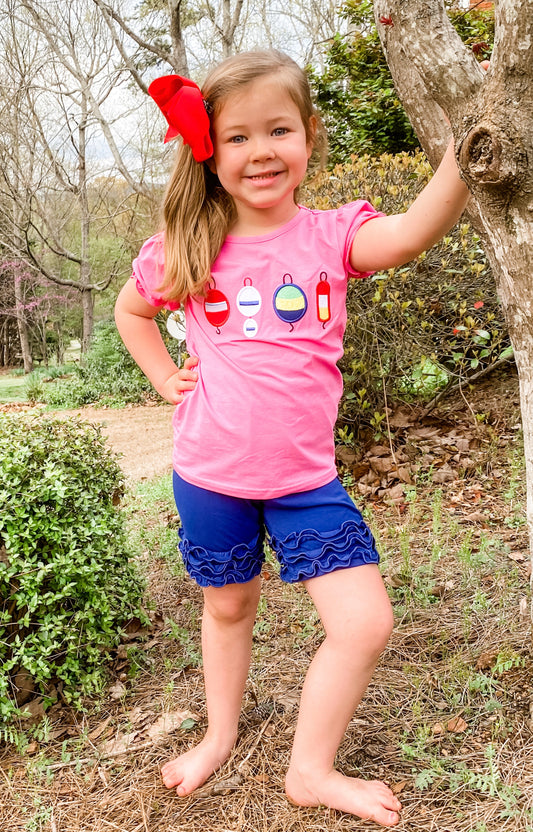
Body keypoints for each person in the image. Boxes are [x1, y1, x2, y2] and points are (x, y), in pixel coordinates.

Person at [115, 49, 470, 827]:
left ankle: (309, 769)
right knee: (229, 608)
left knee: (363, 623)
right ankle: (220, 732)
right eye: (236, 138)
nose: (260, 151)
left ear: (310, 135)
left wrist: (463, 152)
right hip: (209, 472)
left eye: (278, 129)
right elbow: (131, 310)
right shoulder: (189, 249)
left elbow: (408, 235)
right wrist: (160, 377)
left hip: (305, 482)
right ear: (210, 152)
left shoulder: (329, 235)